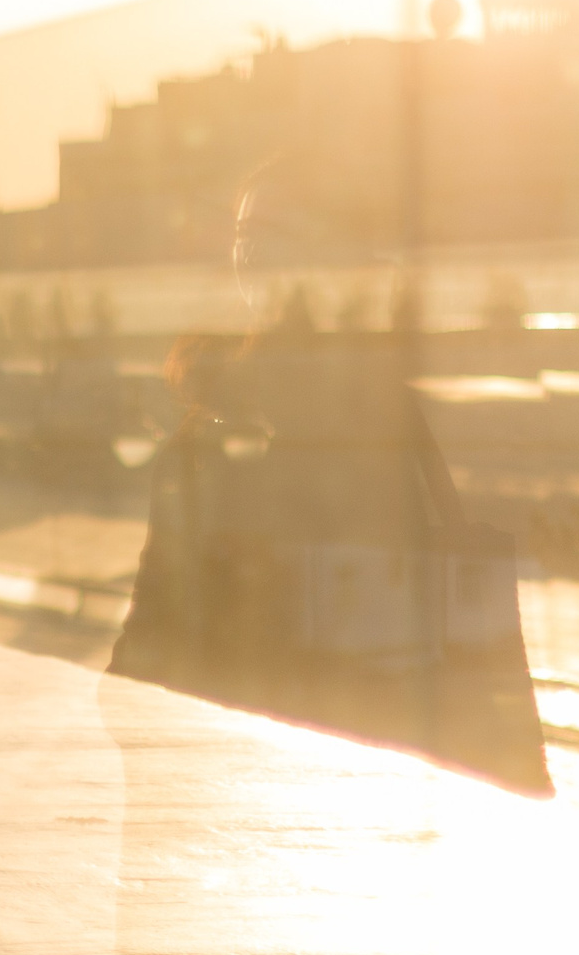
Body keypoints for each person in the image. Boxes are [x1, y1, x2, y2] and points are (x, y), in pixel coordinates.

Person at [109, 172, 549, 793]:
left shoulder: (227, 425)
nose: (247, 256)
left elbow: (167, 619)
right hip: (371, 746)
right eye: (243, 237)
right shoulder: (377, 399)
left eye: (265, 239)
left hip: (269, 754)